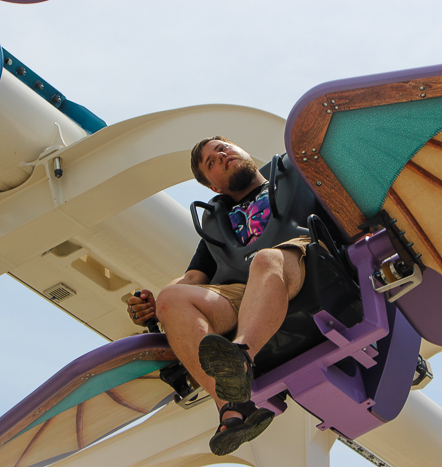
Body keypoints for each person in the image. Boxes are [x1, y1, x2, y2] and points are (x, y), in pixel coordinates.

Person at [126, 136, 310, 456]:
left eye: (223, 149)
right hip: (245, 291)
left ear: (241, 150)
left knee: (267, 259)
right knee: (173, 298)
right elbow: (193, 278)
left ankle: (241, 356)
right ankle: (233, 408)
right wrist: (157, 305)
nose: (221, 156)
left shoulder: (294, 175)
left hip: (303, 260)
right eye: (211, 162)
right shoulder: (216, 225)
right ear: (212, 186)